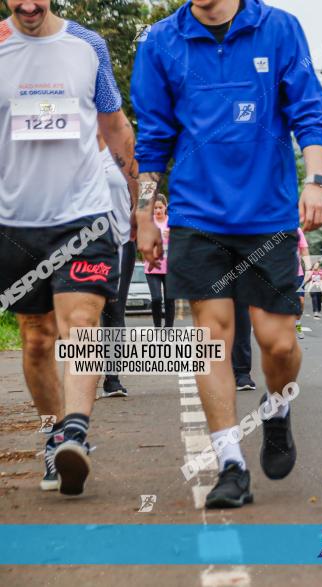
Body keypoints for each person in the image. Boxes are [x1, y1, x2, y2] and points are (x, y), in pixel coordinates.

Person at [132, 0, 322, 508]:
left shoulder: (279, 29)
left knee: (278, 343)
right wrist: (144, 213)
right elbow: (153, 138)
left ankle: (278, 409)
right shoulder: (160, 42)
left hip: (269, 214)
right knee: (211, 339)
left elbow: (308, 110)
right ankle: (231, 464)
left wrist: (315, 181)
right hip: (198, 216)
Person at [0, 0, 137, 495]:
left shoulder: (88, 46)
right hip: (14, 223)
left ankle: (75, 430)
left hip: (82, 216)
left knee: (80, 323)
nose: (28, 5)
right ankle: (52, 438)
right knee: (37, 338)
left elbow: (116, 127)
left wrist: (140, 204)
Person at [99, 132, 137, 398]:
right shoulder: (76, 148)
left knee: (114, 309)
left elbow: (143, 184)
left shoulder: (123, 156)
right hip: (81, 244)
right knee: (82, 314)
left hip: (122, 240)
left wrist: (141, 212)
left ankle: (112, 378)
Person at [144, 195, 175, 328]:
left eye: (160, 207)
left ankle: (168, 329)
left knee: (169, 299)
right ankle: (157, 328)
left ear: (165, 207)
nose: (157, 210)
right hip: (152, 267)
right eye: (155, 208)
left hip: (169, 268)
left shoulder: (172, 223)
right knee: (156, 298)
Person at [294, 226, 310, 339]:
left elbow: (304, 249)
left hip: (297, 273)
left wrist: (309, 269)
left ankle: (297, 324)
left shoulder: (297, 230)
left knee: (301, 301)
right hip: (279, 274)